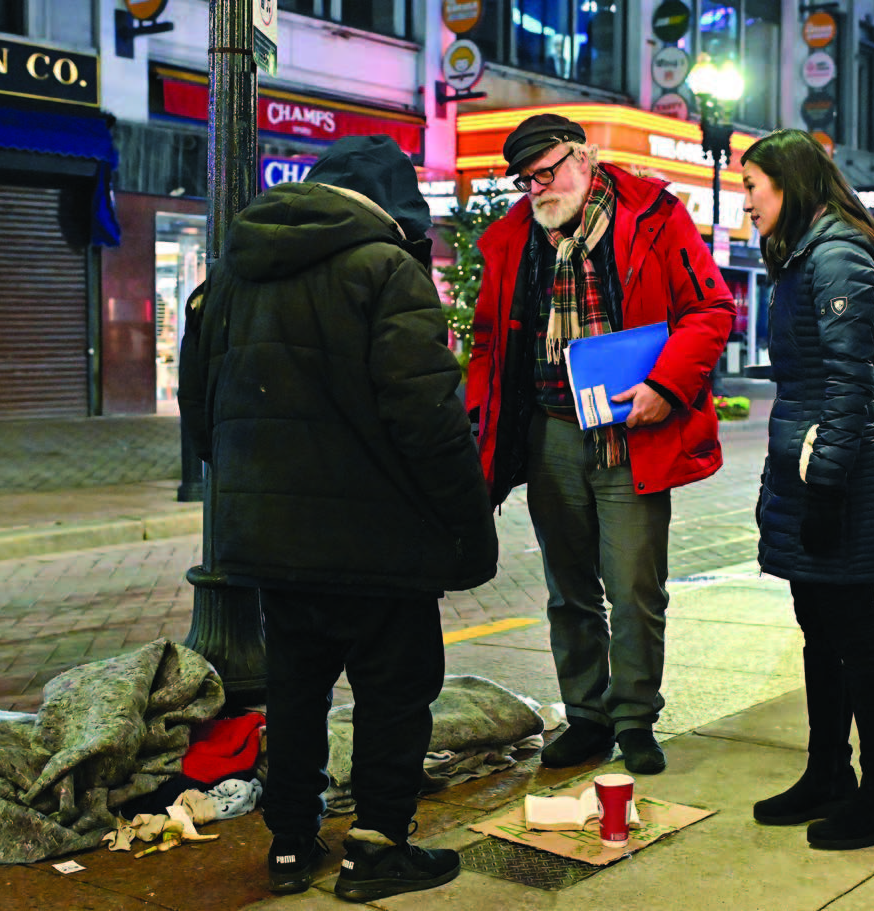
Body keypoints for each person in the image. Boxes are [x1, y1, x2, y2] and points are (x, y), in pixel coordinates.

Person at [178, 135, 498, 900]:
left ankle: (290, 842)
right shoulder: (386, 268)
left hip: (270, 541)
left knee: (294, 691)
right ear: (391, 205)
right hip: (378, 541)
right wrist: (467, 526)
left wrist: (251, 483)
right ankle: (378, 845)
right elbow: (427, 417)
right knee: (394, 690)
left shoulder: (228, 274)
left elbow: (199, 410)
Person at [467, 113, 735, 775]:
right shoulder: (512, 240)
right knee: (568, 590)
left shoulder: (653, 216)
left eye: (548, 170)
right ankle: (585, 716)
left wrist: (665, 387)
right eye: (526, 178)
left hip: (632, 430)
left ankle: (634, 716)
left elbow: (711, 310)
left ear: (585, 157)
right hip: (551, 430)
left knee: (635, 586)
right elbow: (486, 343)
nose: (538, 187)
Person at [741, 129, 874, 850]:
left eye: (751, 186)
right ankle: (827, 772)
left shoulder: (836, 255)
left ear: (788, 182)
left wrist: (827, 490)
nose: (745, 202)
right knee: (819, 629)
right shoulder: (807, 253)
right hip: (807, 465)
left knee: (854, 635)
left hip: (831, 473)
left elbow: (849, 386)